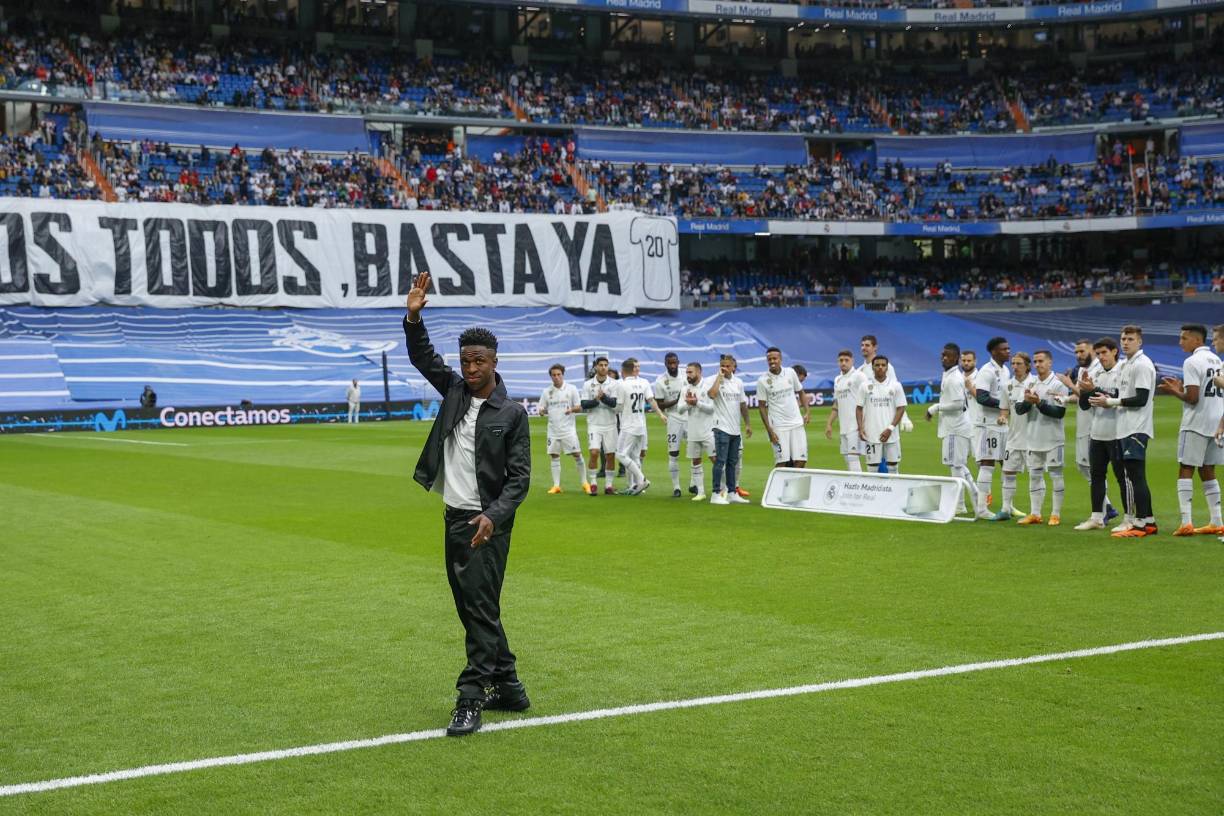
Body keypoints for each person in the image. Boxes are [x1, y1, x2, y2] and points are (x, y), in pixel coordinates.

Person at [403, 271, 531, 737]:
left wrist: (492, 518)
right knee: (473, 608)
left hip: (487, 527)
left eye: (478, 361)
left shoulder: (512, 414)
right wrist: (414, 318)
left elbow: (519, 481)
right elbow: (423, 358)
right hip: (454, 519)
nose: (471, 368)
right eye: (466, 361)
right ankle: (510, 687)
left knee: (478, 610)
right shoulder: (455, 391)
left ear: (494, 362)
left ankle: (471, 697)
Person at [1157, 323, 1223, 536]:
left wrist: (1174, 391)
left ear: (1196, 340)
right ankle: (1217, 521)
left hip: (1196, 422)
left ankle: (1186, 521)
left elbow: (1193, 398)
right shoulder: (1218, 362)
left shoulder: (1192, 361)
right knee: (1208, 469)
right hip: (1216, 422)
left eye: (1184, 338)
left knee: (1186, 467)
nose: (1180, 342)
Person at [1057, 339, 1118, 524]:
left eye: (1082, 351)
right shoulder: (1083, 371)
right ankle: (1106, 507)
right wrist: (1066, 399)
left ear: (1092, 350)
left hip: (1095, 425)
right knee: (1084, 467)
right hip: (1084, 423)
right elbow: (1083, 398)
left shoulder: (1098, 370)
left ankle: (1104, 509)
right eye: (1076, 352)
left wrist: (1069, 384)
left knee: (1093, 469)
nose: (1078, 355)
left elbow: (1093, 396)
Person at [1075, 338, 1128, 532]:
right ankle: (1097, 517)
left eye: (1104, 352)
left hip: (1117, 431)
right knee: (1096, 476)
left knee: (1122, 477)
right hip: (1097, 432)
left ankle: (1129, 518)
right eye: (1098, 354)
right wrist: (1084, 391)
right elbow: (1084, 405)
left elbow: (1120, 399)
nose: (1101, 357)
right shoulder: (1094, 373)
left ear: (1114, 352)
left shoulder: (1123, 371)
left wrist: (1093, 390)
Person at [1110, 325, 1157, 538]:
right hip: (1125, 427)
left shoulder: (1142, 365)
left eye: (1130, 339)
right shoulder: (1127, 364)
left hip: (1136, 428)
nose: (1125, 342)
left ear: (1140, 342)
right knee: (1134, 475)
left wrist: (1112, 402)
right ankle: (1149, 521)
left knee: (1136, 476)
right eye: (1123, 338)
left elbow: (1141, 399)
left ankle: (1138, 525)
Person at [1016, 350, 1069, 526]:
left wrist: (1038, 403)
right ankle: (1035, 513)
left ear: (1050, 363)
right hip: (1033, 438)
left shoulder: (1058, 384)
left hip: (1053, 439)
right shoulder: (1030, 382)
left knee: (1055, 475)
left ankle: (1055, 514)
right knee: (1034, 476)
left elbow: (1059, 413)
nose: (1038, 364)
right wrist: (1027, 401)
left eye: (1041, 361)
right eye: (1035, 361)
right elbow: (1019, 410)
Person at [926, 343, 978, 511]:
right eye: (942, 355)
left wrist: (935, 407)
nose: (943, 358)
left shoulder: (954, 378)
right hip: (956, 427)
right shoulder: (949, 375)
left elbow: (957, 404)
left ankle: (960, 505)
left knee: (956, 466)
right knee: (959, 465)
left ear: (956, 358)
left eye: (947, 355)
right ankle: (977, 495)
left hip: (955, 428)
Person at [974, 337, 1012, 521]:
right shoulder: (986, 371)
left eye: (1008, 348)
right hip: (988, 424)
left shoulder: (1005, 370)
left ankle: (1007, 506)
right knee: (987, 463)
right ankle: (981, 508)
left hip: (1003, 424)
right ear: (994, 352)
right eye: (1004, 349)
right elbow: (981, 397)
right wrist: (1005, 404)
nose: (1008, 351)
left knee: (1007, 464)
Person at [708, 354, 752, 504]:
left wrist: (747, 424)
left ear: (734, 367)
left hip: (735, 429)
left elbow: (742, 405)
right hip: (721, 427)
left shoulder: (738, 382)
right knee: (720, 461)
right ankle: (715, 494)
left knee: (732, 462)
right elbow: (712, 395)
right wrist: (719, 378)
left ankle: (732, 492)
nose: (725, 368)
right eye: (722, 366)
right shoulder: (717, 380)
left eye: (728, 366)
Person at [616, 358, 664, 495]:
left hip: (628, 426)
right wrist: (660, 414)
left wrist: (611, 408)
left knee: (621, 455)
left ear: (623, 371)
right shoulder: (644, 382)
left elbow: (619, 407)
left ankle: (641, 479)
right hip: (641, 425)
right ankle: (634, 486)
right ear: (633, 369)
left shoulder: (622, 385)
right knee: (635, 456)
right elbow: (651, 400)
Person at [756, 347, 808, 469]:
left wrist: (807, 411)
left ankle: (792, 488)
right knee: (781, 463)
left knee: (801, 461)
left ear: (780, 359)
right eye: (769, 359)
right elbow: (762, 407)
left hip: (796, 424)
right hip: (779, 427)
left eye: (775, 358)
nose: (772, 361)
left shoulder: (790, 372)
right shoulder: (762, 380)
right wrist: (770, 431)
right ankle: (778, 488)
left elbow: (800, 391)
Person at [539, 364, 587, 495]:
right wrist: (542, 411)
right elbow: (541, 408)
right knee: (554, 456)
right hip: (553, 430)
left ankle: (585, 483)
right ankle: (556, 486)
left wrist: (571, 409)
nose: (556, 377)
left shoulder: (571, 389)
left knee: (577, 454)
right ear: (551, 376)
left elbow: (580, 407)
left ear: (563, 375)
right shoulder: (546, 392)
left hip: (568, 430)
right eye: (554, 375)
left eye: (558, 374)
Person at [857, 356, 906, 474]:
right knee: (872, 469)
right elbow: (859, 408)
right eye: (877, 365)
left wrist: (890, 428)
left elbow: (901, 407)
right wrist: (860, 428)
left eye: (883, 365)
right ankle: (874, 493)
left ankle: (895, 491)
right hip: (872, 433)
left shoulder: (896, 385)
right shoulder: (864, 386)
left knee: (893, 466)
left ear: (887, 368)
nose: (880, 367)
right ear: (872, 367)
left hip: (892, 434)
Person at [1000, 352, 1035, 520]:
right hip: (1013, 437)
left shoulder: (1035, 383)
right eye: (1013, 363)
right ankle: (1006, 509)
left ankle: (1036, 512)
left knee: (1035, 474)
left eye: (1018, 363)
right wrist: (1002, 417)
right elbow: (1005, 409)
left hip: (1032, 438)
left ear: (1027, 366)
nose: (1014, 366)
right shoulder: (1007, 385)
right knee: (1008, 472)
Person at [676, 361, 716, 501]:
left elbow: (712, 408)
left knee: (716, 461)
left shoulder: (707, 387)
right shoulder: (685, 389)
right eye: (687, 372)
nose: (688, 375)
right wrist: (689, 403)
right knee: (695, 461)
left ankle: (722, 489)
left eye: (690, 372)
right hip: (692, 431)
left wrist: (697, 403)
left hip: (708, 431)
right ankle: (701, 492)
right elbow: (679, 410)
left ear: (699, 372)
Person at [581, 357, 620, 495]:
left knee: (610, 455)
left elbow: (614, 403)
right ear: (596, 367)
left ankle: (608, 485)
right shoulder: (588, 384)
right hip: (594, 424)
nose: (603, 367)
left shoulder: (614, 384)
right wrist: (597, 400)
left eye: (605, 365)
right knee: (594, 452)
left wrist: (603, 398)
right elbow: (584, 405)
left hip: (610, 424)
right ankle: (593, 483)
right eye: (601, 365)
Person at [653, 352, 688, 497]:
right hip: (673, 419)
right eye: (669, 363)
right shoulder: (660, 381)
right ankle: (677, 487)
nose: (672, 366)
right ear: (665, 364)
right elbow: (660, 405)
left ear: (678, 362)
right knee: (673, 454)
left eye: (674, 363)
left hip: (690, 417)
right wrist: (676, 400)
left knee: (695, 452)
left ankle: (695, 485)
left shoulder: (687, 374)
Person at [828, 349, 868, 472]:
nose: (843, 363)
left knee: (852, 458)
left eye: (846, 360)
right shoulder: (837, 379)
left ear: (852, 361)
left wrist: (864, 424)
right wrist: (829, 423)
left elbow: (869, 397)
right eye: (841, 360)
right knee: (847, 459)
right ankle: (853, 487)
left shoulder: (859, 376)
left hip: (855, 426)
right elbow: (837, 404)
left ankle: (859, 488)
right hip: (843, 427)